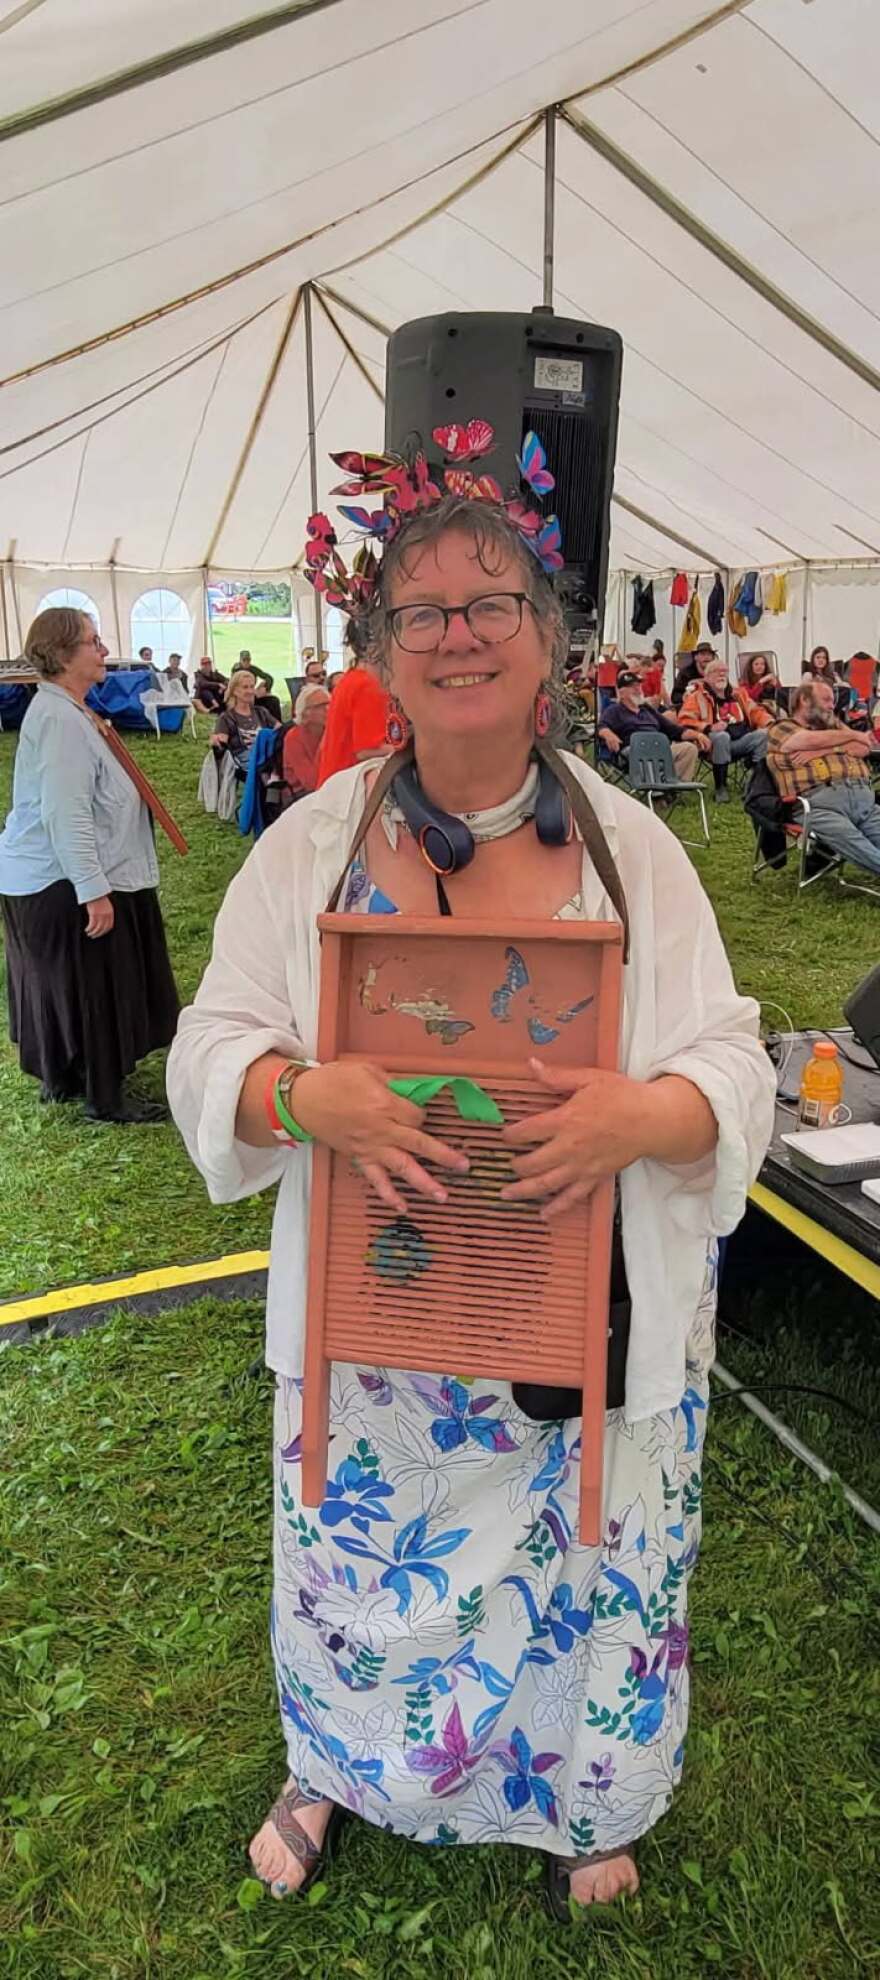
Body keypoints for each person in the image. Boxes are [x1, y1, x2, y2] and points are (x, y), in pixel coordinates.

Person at [168, 431, 774, 1918]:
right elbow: (211, 1045)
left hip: (577, 1332)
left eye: (492, 602)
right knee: (358, 1565)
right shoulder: (313, 850)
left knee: (591, 1564)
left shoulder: (633, 855)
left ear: (549, 636)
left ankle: (586, 1795)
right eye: (424, 610)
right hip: (383, 1340)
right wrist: (305, 1094)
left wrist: (643, 1118)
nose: (459, 636)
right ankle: (339, 1764)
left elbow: (733, 1062)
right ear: (379, 646)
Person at [0, 608, 178, 1122]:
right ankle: (104, 1096)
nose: (103, 650)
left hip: (41, 876)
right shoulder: (60, 720)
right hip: (55, 879)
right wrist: (92, 889)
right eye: (93, 641)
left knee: (58, 984)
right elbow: (66, 811)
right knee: (95, 986)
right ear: (62, 654)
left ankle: (63, 1076)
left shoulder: (65, 710)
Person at [767, 679, 880, 876]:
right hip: (821, 804)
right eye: (826, 700)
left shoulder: (833, 727)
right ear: (804, 699)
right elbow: (806, 740)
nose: (832, 706)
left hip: (864, 802)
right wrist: (851, 736)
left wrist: (826, 749)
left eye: (833, 701)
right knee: (860, 846)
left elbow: (864, 746)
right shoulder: (782, 728)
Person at [679, 656, 769, 802]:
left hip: (740, 738)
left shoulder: (738, 694)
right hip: (711, 744)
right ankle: (721, 788)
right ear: (707, 677)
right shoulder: (697, 697)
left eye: (724, 671)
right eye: (716, 671)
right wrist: (709, 727)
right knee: (721, 736)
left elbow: (755, 711)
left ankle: (754, 784)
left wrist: (768, 722)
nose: (721, 674)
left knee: (763, 734)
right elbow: (684, 719)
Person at [316, 618, 390, 784]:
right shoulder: (368, 685)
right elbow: (367, 750)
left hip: (334, 785)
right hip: (347, 790)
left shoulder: (351, 680)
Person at [598, 670, 699, 780]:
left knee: (689, 749)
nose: (638, 689)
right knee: (644, 750)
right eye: (632, 687)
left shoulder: (647, 710)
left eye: (639, 686)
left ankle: (673, 785)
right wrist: (608, 734)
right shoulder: (614, 710)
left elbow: (673, 730)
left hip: (659, 749)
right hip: (634, 752)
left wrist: (697, 735)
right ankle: (654, 787)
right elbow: (601, 726)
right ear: (621, 693)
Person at [210, 669, 280, 776]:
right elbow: (221, 750)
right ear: (235, 691)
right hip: (245, 763)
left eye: (252, 687)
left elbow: (281, 730)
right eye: (245, 687)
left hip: (266, 756)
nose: (250, 691)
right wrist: (216, 743)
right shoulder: (226, 718)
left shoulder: (261, 712)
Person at [281, 682, 331, 801]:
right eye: (321, 706)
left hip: (330, 789)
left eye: (330, 703)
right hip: (302, 797)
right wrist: (326, 741)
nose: (328, 709)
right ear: (305, 713)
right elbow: (311, 783)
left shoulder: (334, 731)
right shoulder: (294, 738)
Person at [232, 649, 284, 723]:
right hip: (244, 699)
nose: (246, 662)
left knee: (274, 701)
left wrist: (265, 688)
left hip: (254, 696)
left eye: (248, 660)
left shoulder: (252, 669)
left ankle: (278, 724)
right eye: (244, 660)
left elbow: (269, 678)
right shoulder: (236, 670)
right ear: (240, 661)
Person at [671, 641, 713, 710]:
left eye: (709, 654)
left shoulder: (717, 672)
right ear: (695, 657)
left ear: (712, 658)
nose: (706, 657)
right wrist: (685, 696)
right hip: (691, 708)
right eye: (703, 654)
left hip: (712, 708)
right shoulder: (685, 673)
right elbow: (675, 697)